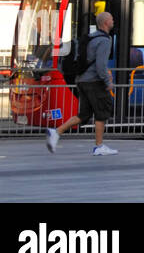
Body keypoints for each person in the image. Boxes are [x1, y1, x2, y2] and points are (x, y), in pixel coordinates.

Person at [47, 11, 118, 156]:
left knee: (84, 114)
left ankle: (56, 132)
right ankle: (99, 146)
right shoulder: (104, 40)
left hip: (81, 80)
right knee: (102, 111)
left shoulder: (91, 38)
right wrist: (108, 81)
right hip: (94, 81)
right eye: (111, 19)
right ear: (105, 23)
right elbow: (101, 65)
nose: (113, 21)